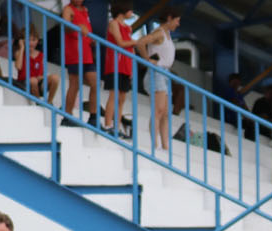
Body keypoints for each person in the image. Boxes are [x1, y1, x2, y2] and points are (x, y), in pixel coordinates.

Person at [140, 9, 181, 151]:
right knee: (159, 110)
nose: (178, 24)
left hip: (165, 73)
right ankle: (155, 144)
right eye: (177, 20)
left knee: (166, 113)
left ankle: (165, 146)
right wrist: (147, 60)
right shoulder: (159, 32)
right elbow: (141, 42)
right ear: (169, 18)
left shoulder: (167, 34)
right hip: (157, 72)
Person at [100, 1, 136, 138]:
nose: (132, 12)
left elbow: (130, 49)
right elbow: (120, 43)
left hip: (126, 66)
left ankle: (116, 125)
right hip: (115, 64)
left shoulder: (128, 28)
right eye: (130, 9)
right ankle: (108, 124)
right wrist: (135, 42)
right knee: (114, 95)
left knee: (122, 98)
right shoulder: (114, 23)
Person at [60, 0, 97, 126]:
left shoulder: (85, 10)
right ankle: (67, 116)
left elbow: (87, 30)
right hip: (75, 53)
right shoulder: (68, 9)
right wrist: (77, 27)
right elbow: (66, 26)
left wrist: (91, 39)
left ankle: (93, 117)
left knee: (95, 83)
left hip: (86, 53)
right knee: (74, 84)